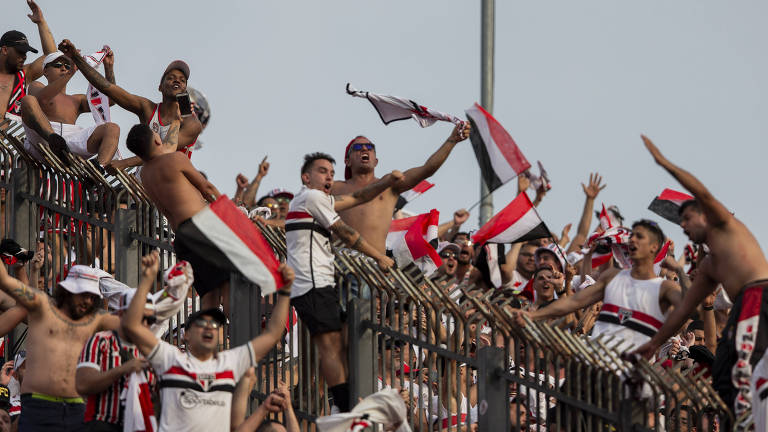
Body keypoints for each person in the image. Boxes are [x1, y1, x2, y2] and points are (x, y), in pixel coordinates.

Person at [634, 135, 768, 428]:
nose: (682, 226)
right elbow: (683, 312)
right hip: (745, 306)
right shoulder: (708, 266)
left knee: (743, 367)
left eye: (687, 219)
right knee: (721, 371)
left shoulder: (726, 227)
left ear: (705, 216)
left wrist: (664, 163)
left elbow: (702, 193)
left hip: (760, 298)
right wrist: (654, 342)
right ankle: (737, 421)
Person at [121, 252, 294, 432]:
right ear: (185, 335)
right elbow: (132, 326)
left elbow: (273, 334)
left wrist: (286, 291)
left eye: (214, 324)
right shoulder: (171, 359)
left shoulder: (229, 362)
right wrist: (147, 280)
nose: (209, 327)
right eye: (202, 323)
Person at [287, 152, 402, 412]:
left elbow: (358, 197)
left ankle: (338, 398)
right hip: (313, 283)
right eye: (321, 171)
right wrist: (379, 257)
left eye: (331, 171)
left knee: (340, 338)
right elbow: (346, 233)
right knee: (329, 345)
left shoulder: (309, 200)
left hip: (315, 283)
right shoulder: (312, 197)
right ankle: (344, 405)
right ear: (306, 177)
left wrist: (385, 182)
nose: (329, 175)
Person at [518, 220, 683, 353]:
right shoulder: (612, 278)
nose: (632, 240)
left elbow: (688, 309)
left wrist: (680, 271)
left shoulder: (664, 288)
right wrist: (533, 316)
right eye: (632, 236)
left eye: (639, 237)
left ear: (654, 247)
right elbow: (573, 302)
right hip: (596, 363)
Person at [0, 263, 119, 431]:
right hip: (38, 406)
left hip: (77, 409)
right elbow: (4, 280)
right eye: (83, 294)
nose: (87, 301)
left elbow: (132, 325)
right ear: (68, 291)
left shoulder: (95, 319)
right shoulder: (41, 304)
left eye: (92, 297)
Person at [56, 39, 202, 169]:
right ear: (160, 87)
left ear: (185, 89)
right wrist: (76, 57)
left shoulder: (191, 123)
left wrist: (124, 163)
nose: (177, 81)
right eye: (171, 78)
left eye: (182, 80)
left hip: (170, 189)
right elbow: (109, 89)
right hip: (143, 185)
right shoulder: (147, 108)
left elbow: (163, 151)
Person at [331, 123, 470, 253]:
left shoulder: (389, 185)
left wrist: (452, 140)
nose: (364, 149)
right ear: (347, 161)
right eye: (357, 147)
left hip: (374, 267)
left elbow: (427, 169)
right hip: (340, 264)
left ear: (376, 161)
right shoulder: (334, 187)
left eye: (370, 147)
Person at [21, 49, 120, 165]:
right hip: (43, 138)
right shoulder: (36, 85)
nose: (63, 68)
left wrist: (108, 67)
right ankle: (54, 140)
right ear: (45, 71)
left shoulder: (77, 99)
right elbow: (43, 99)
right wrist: (70, 73)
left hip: (70, 144)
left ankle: (99, 167)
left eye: (67, 65)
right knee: (27, 100)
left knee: (112, 128)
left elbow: (111, 100)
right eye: (58, 65)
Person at [76, 290, 157, 431]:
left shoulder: (152, 350)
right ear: (121, 314)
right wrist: (123, 369)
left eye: (149, 320)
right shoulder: (101, 340)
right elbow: (83, 385)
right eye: (139, 317)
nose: (144, 324)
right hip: (102, 424)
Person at [0, 0, 55, 121]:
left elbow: (51, 56)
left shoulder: (24, 75)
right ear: (4, 50)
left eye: (25, 53)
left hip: (4, 138)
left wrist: (41, 22)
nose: (24, 56)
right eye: (20, 52)